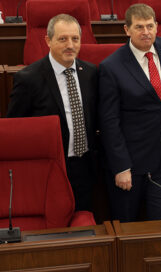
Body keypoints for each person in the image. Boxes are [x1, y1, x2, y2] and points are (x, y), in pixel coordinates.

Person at [98, 3, 161, 222]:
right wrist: (121, 166)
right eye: (139, 27)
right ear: (126, 30)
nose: (146, 32)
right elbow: (109, 121)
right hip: (132, 161)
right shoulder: (111, 67)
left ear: (157, 26)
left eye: (150, 26)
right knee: (127, 224)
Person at [7, 14, 97, 211]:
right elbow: (15, 129)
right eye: (62, 39)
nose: (70, 45)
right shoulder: (28, 78)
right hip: (49, 168)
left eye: (75, 39)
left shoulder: (91, 73)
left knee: (84, 222)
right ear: (48, 41)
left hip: (86, 165)